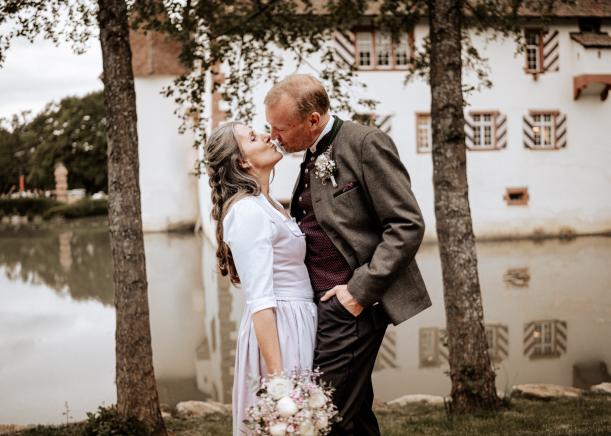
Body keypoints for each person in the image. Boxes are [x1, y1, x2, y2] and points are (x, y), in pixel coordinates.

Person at [265, 74, 431, 435]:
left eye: (281, 128)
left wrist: (357, 293)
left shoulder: (366, 144)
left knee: (324, 415)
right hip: (324, 306)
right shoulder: (311, 152)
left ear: (313, 120)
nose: (275, 136)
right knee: (353, 416)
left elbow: (406, 225)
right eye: (270, 128)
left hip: (351, 306)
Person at [203, 122, 317, 435]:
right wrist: (278, 379)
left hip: (297, 321)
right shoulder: (247, 212)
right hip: (280, 329)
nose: (267, 136)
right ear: (241, 161)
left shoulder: (269, 203)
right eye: (253, 137)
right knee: (287, 419)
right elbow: (261, 300)